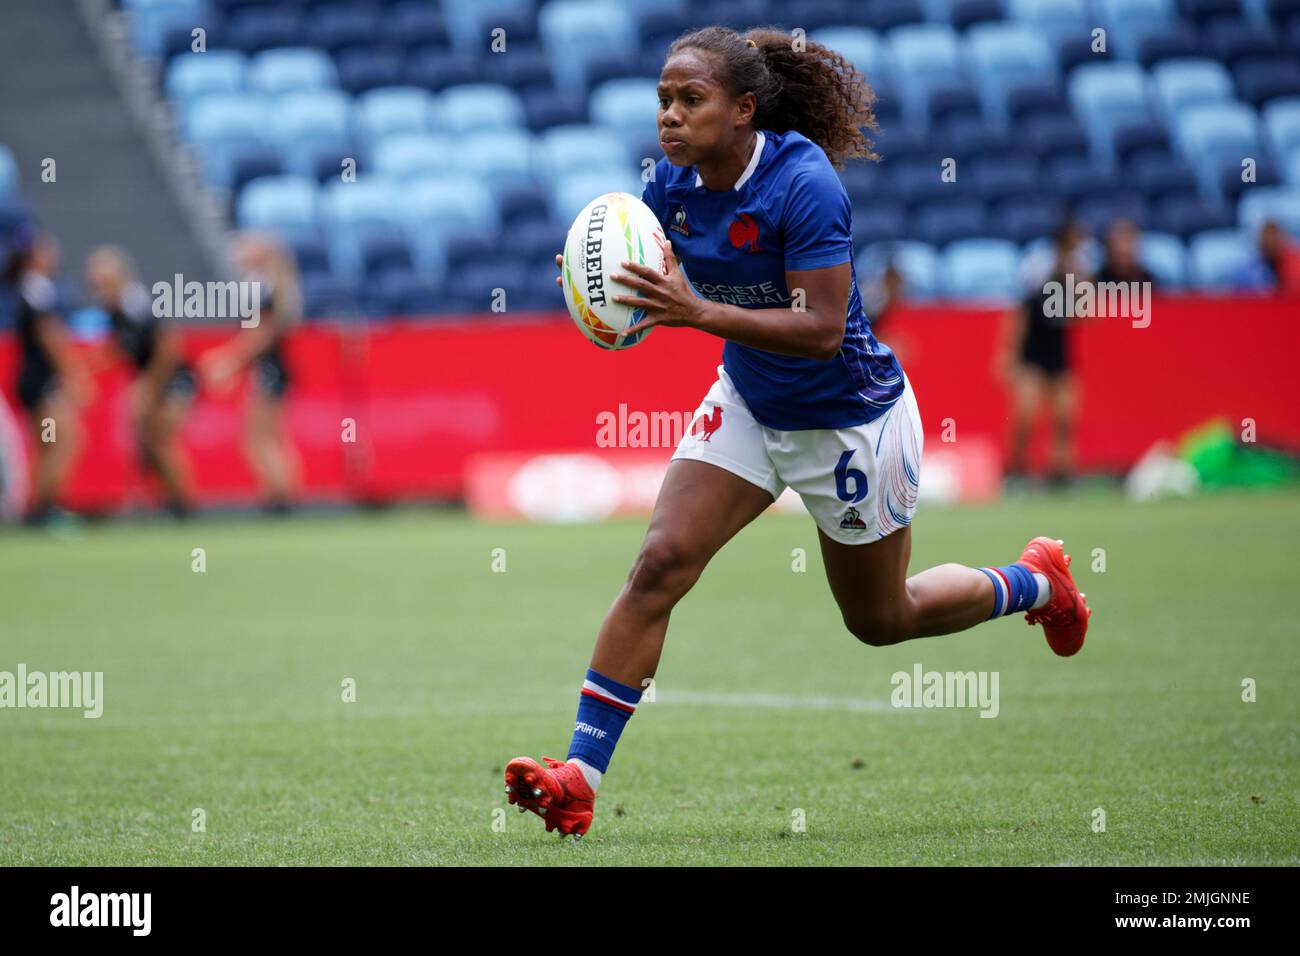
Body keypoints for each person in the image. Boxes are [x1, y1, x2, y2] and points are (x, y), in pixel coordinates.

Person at [505, 27, 1091, 838]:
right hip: (749, 402)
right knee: (659, 564)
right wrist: (600, 296)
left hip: (850, 422)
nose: (669, 118)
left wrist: (698, 313)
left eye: (690, 100)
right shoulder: (666, 188)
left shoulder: (803, 183)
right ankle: (579, 775)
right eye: (663, 101)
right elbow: (641, 285)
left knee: (881, 620)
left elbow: (819, 329)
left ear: (744, 110)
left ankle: (1036, 583)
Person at [85, 245, 196, 516]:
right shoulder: (115, 310)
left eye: (104, 284)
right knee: (147, 442)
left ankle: (184, 505)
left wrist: (149, 386)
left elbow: (169, 347)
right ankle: (169, 501)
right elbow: (125, 348)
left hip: (173, 382)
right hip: (154, 381)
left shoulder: (138, 303)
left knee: (160, 439)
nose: (99, 291)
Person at [197, 232, 301, 513]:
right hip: (274, 368)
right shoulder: (272, 284)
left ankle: (279, 498)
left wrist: (230, 360)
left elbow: (261, 334)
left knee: (259, 436)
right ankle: (281, 495)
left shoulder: (259, 285)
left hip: (269, 369)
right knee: (270, 436)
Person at [4, 229, 94, 526]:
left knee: (49, 443)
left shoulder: (31, 287)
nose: (54, 256)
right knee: (64, 440)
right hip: (41, 382)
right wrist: (74, 375)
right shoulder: (37, 288)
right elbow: (50, 337)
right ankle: (45, 508)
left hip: (32, 381)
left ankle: (41, 509)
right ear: (35, 257)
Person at [995, 218, 1091, 487]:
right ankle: (1016, 468)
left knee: (1065, 415)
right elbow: (1022, 311)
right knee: (1026, 414)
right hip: (1033, 349)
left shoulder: (1079, 268)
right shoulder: (1037, 266)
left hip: (1058, 349)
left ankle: (1060, 471)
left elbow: (1084, 314)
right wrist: (1009, 353)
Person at [1233, 219, 1300, 294]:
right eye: (1264, 238)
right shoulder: (1252, 269)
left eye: (1273, 238)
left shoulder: (1295, 264)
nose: (1268, 243)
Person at [1095, 218, 1155, 286]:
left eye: (1127, 242)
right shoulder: (1095, 282)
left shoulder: (1150, 282)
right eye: (1117, 254)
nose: (1122, 248)